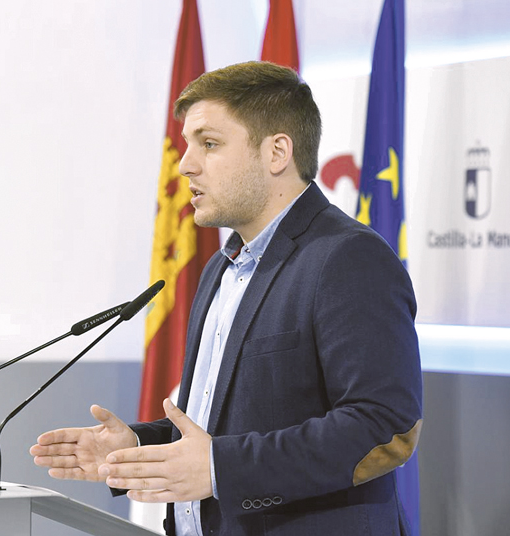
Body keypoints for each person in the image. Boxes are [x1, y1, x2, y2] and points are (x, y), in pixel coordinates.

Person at [29, 61, 423, 536]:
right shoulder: (221, 267)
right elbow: (221, 426)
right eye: (188, 144)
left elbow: (384, 427)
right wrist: (136, 447)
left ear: (277, 152)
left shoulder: (348, 258)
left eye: (209, 143)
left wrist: (220, 468)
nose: (185, 164)